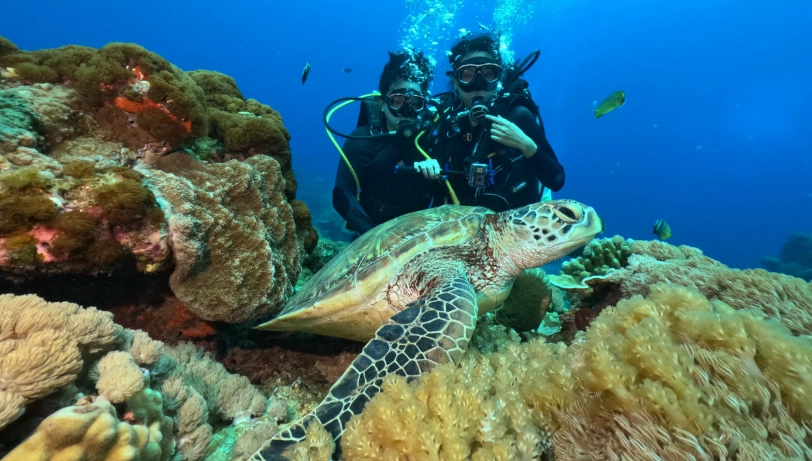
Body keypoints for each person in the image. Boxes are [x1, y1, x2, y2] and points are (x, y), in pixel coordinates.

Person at [427, 33, 565, 212]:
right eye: (467, 75)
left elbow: (556, 180)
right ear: (455, 81)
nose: (478, 84)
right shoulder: (445, 119)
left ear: (499, 78)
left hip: (515, 220)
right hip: (458, 221)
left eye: (488, 74)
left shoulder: (517, 116)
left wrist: (526, 145)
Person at [332, 51, 446, 235]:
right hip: (369, 236)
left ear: (424, 105)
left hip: (422, 238)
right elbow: (342, 193)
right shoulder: (364, 140)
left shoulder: (433, 142)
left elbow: (449, 195)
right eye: (398, 101)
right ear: (383, 103)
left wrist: (438, 177)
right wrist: (375, 235)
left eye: (415, 103)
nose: (406, 111)